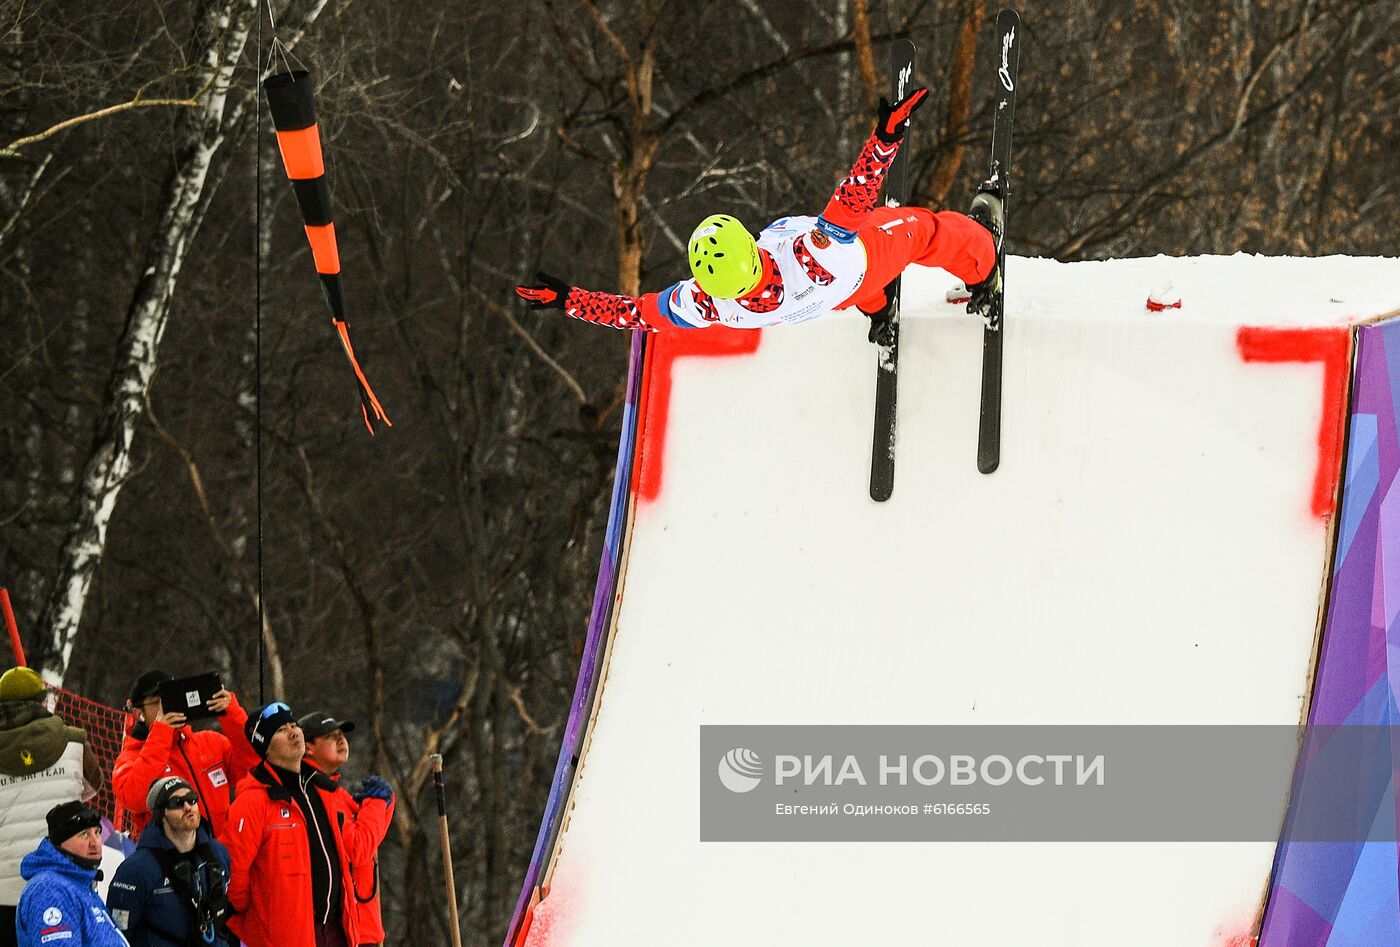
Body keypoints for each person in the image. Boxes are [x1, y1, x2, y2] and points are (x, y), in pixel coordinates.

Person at [515, 87, 1004, 346]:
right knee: (923, 229)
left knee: (859, 289)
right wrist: (885, 138)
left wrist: (569, 301)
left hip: (833, 298)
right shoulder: (811, 256)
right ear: (750, 249)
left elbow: (636, 314)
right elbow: (853, 200)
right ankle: (985, 259)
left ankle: (880, 310)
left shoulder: (709, 306)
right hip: (861, 260)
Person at [219, 703, 394, 947]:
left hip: (336, 930)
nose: (293, 732)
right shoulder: (252, 801)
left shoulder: (324, 789)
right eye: (281, 730)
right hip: (284, 937)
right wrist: (266, 915)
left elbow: (354, 850)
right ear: (265, 746)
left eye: (293, 725)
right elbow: (233, 875)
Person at [0, 667, 103, 947]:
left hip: (4, 893)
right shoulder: (73, 741)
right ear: (43, 699)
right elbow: (93, 788)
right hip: (62, 884)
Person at [112, 671, 260, 839]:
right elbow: (134, 799)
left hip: (220, 854)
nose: (168, 706)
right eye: (158, 702)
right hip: (170, 859)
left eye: (171, 698)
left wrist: (232, 714)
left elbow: (252, 765)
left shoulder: (210, 742)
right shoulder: (130, 757)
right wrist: (161, 732)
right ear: (140, 714)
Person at [298, 712, 390, 947]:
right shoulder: (320, 795)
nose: (341, 741)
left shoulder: (336, 793)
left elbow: (371, 835)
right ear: (308, 747)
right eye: (330, 736)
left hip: (361, 923)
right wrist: (378, 804)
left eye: (342, 735)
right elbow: (360, 848)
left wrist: (380, 805)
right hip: (351, 927)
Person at [106, 776, 234, 946]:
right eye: (177, 803)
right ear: (161, 814)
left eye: (191, 799)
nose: (188, 807)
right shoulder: (136, 869)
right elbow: (118, 934)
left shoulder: (217, 853)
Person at [15, 801, 128, 946]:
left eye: (97, 832)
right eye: (84, 835)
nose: (95, 843)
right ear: (61, 842)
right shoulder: (50, 890)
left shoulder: (78, 883)